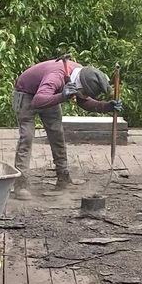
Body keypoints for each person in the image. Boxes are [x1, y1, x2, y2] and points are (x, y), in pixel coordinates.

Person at [11, 58, 120, 193]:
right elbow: (37, 101)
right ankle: (20, 184)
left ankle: (63, 179)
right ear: (80, 85)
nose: (85, 95)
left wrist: (106, 106)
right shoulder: (55, 77)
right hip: (26, 94)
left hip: (49, 94)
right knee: (26, 137)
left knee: (57, 133)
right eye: (85, 92)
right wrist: (62, 96)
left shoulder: (80, 74)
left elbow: (83, 101)